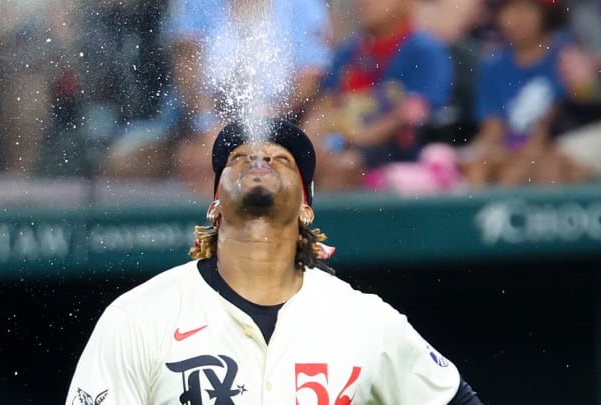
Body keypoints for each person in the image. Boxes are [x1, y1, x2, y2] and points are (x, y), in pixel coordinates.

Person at [65, 117, 483, 404]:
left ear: (306, 207)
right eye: (238, 158)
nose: (258, 159)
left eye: (281, 160)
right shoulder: (139, 316)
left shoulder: (366, 320)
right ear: (214, 204)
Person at [102, 0, 332, 197]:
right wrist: (208, 124)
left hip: (283, 122)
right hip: (202, 125)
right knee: (125, 161)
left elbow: (309, 80)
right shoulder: (200, 3)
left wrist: (264, 126)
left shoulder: (302, 5)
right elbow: (186, 66)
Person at [301, 0, 455, 192]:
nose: (364, 3)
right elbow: (324, 106)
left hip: (399, 149)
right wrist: (307, 144)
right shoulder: (348, 52)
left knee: (345, 166)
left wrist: (361, 137)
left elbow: (415, 110)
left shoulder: (426, 50)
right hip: (344, 143)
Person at [461, 0, 596, 187]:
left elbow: (575, 108)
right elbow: (492, 128)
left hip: (555, 147)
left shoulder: (567, 51)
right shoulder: (493, 66)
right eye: (510, 10)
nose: (517, 19)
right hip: (511, 149)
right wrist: (482, 154)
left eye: (526, 10)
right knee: (480, 167)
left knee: (540, 168)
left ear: (543, 13)